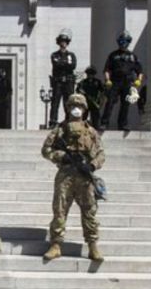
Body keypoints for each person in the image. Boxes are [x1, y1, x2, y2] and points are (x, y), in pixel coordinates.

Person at [42, 94, 105, 264]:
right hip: (66, 174)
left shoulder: (91, 131)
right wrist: (62, 156)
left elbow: (100, 154)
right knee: (60, 210)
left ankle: (92, 245)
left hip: (84, 176)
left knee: (90, 211)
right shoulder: (59, 130)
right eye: (72, 106)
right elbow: (46, 150)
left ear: (85, 109)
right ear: (67, 109)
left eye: (80, 106)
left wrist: (91, 166)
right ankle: (55, 244)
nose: (76, 109)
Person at [102, 30, 144, 132]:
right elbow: (107, 69)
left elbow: (140, 71)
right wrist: (107, 80)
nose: (123, 43)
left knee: (125, 104)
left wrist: (138, 80)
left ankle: (122, 124)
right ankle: (104, 123)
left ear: (128, 42)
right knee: (110, 102)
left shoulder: (133, 56)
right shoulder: (113, 55)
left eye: (125, 41)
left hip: (127, 82)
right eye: (121, 41)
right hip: (115, 81)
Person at [49, 29, 77, 127]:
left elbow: (73, 66)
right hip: (58, 82)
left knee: (68, 102)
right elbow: (56, 64)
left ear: (67, 43)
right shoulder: (54, 55)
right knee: (55, 102)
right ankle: (53, 121)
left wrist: (63, 64)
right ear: (59, 42)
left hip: (68, 82)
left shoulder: (71, 55)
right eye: (61, 41)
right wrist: (65, 64)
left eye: (65, 42)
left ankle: (69, 119)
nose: (63, 43)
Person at [76, 66, 105, 130]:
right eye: (89, 74)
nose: (90, 75)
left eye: (92, 74)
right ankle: (82, 127)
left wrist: (101, 102)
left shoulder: (98, 82)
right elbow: (78, 91)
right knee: (84, 116)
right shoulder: (83, 82)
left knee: (95, 117)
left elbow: (103, 91)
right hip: (85, 102)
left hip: (94, 102)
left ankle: (96, 127)